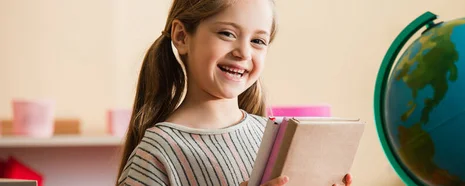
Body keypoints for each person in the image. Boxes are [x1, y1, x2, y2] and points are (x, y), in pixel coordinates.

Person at [115, 0, 353, 185]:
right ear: (181, 36)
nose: (243, 53)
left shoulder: (275, 139)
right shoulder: (157, 153)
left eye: (258, 41)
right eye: (227, 34)